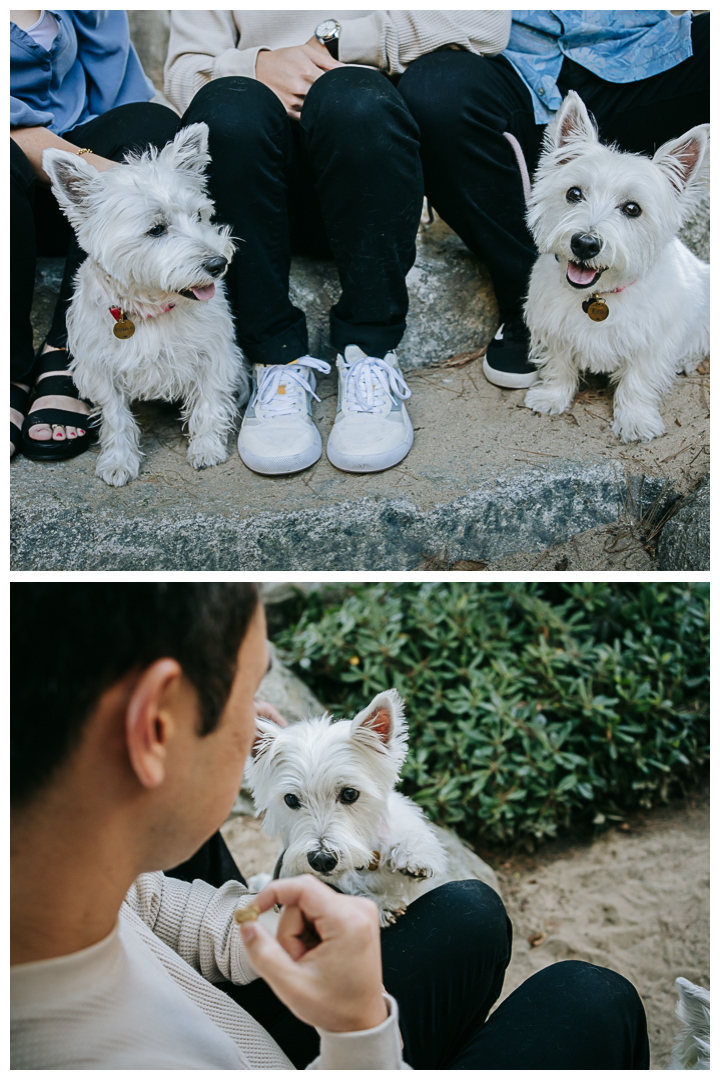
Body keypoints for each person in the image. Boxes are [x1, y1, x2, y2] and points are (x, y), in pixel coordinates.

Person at [11, 582, 651, 1069]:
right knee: (593, 999)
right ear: (156, 727)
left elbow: (158, 909)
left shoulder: (75, 888)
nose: (265, 726)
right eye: (249, 699)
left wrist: (274, 934)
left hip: (246, 1024)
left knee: (471, 913)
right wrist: (356, 1030)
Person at [163, 12, 512, 476]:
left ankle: (369, 350)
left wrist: (339, 42)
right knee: (228, 107)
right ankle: (275, 357)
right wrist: (257, 65)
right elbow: (184, 74)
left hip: (369, 175)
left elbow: (485, 22)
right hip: (257, 183)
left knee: (352, 95)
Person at [394, 9, 710, 389]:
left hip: (642, 52)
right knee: (435, 87)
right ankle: (523, 304)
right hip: (510, 63)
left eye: (630, 208)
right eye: (576, 195)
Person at [10, 10, 181, 460]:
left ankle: (68, 350)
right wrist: (98, 169)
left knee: (148, 125)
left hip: (79, 200)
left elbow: (123, 100)